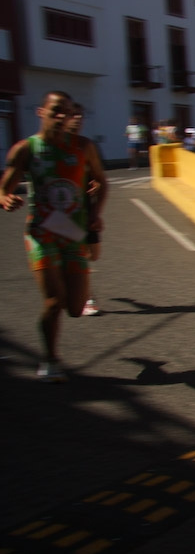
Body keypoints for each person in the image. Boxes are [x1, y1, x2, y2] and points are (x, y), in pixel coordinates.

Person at [1, 90, 107, 381]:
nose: (63, 117)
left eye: (68, 112)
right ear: (41, 112)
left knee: (75, 308)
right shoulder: (26, 149)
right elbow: (4, 187)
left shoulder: (83, 147)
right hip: (41, 234)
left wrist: (96, 213)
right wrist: (4, 198)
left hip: (74, 233)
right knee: (53, 301)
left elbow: (101, 180)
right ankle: (50, 359)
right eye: (56, 110)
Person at [66, 102, 101, 316]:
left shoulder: (86, 146)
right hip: (65, 212)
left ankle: (80, 288)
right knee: (80, 255)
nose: (78, 119)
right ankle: (87, 297)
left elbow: (99, 177)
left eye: (80, 115)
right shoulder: (50, 149)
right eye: (73, 115)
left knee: (93, 254)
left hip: (87, 208)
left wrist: (96, 185)